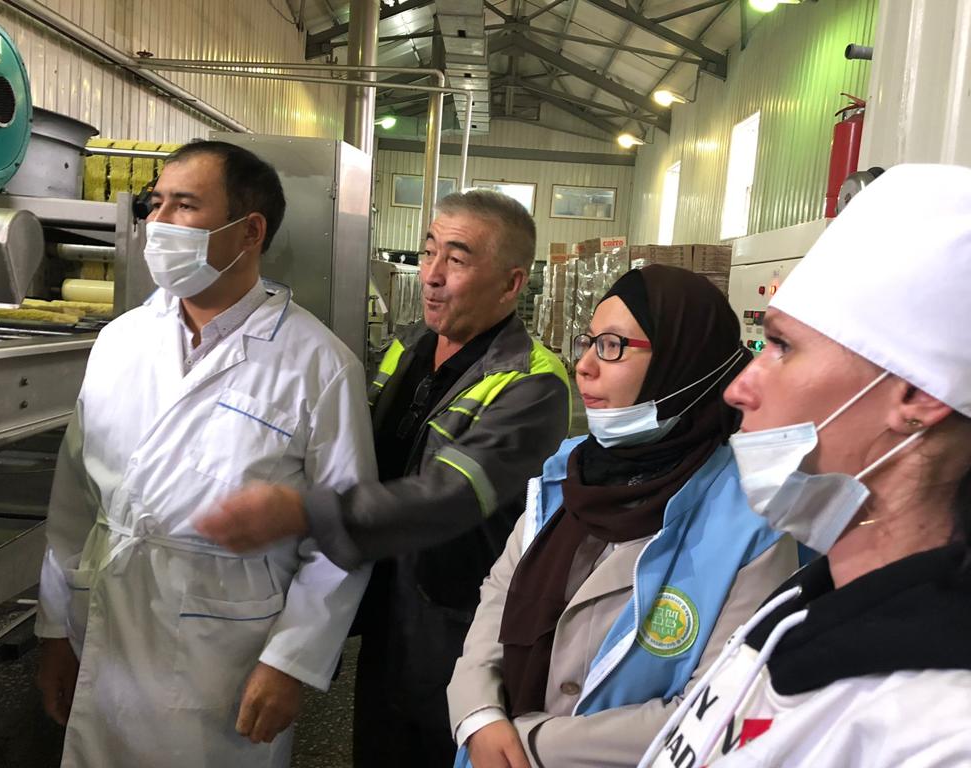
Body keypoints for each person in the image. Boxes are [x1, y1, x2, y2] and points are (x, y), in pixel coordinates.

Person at [197, 190, 572, 766]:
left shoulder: (532, 384)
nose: (432, 275)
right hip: (388, 612)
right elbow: (358, 454)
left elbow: (448, 497)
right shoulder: (410, 347)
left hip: (460, 625)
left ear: (511, 284)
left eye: (457, 259)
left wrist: (302, 511)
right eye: (428, 252)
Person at [34, 140, 376, 767]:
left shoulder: (319, 365)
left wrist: (291, 661)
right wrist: (56, 628)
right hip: (107, 625)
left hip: (225, 650)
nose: (158, 222)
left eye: (185, 205)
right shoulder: (120, 340)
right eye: (156, 203)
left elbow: (342, 535)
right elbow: (73, 502)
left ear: (250, 231)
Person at [639, 163, 971, 768]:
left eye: (782, 347)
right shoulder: (810, 598)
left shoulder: (939, 729)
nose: (738, 388)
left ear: (917, 396)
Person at [446, 265, 798, 768]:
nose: (584, 366)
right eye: (588, 342)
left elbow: (724, 709)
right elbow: (497, 596)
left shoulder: (753, 524)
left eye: (612, 346)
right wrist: (478, 715)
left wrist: (532, 743)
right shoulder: (568, 474)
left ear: (684, 361)